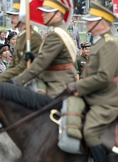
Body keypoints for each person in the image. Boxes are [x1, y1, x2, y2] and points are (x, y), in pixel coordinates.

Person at [67, 2, 118, 162]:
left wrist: (78, 86)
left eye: (91, 20)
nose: (87, 22)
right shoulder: (100, 43)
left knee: (89, 132)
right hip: (96, 93)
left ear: (101, 23)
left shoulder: (110, 44)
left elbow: (104, 76)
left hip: (107, 99)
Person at [12, 0, 77, 97]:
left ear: (58, 14)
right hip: (49, 78)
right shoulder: (56, 31)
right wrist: (35, 57)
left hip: (58, 81)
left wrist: (16, 81)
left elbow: (40, 64)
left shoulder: (56, 34)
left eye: (47, 12)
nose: (42, 14)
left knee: (48, 108)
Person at [0, 0, 42, 82]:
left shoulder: (34, 37)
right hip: (17, 78)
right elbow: (13, 63)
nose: (11, 19)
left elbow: (23, 66)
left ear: (23, 17)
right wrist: (2, 78)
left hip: (30, 81)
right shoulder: (21, 36)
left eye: (14, 16)